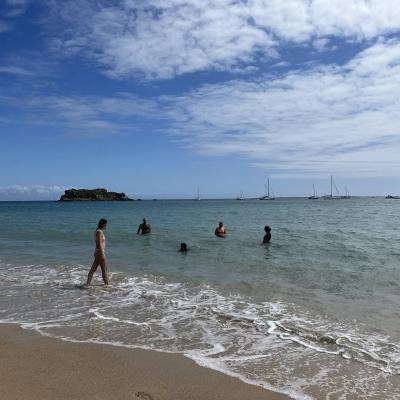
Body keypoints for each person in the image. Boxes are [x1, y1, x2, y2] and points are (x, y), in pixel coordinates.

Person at [87, 218, 109, 286]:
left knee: (93, 269)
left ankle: (87, 284)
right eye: (106, 224)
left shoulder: (98, 231)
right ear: (103, 224)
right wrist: (102, 254)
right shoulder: (99, 232)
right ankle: (107, 285)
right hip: (99, 252)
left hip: (97, 252)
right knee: (104, 269)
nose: (106, 226)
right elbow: (99, 243)